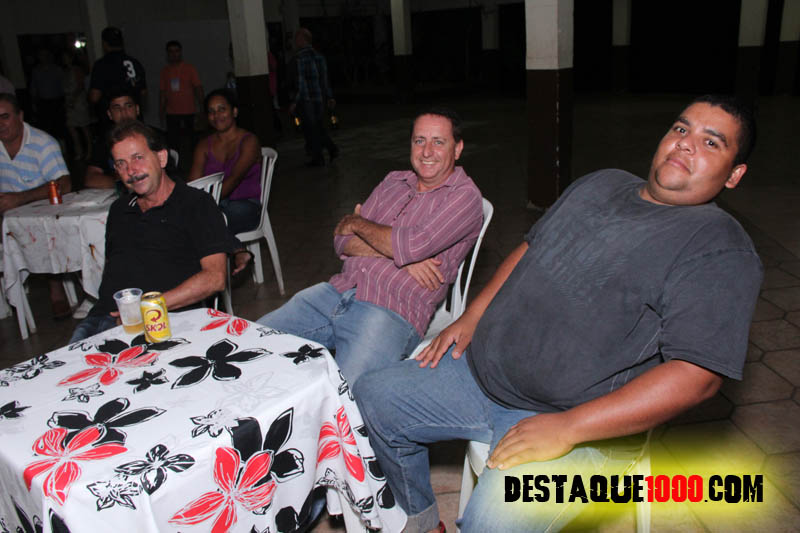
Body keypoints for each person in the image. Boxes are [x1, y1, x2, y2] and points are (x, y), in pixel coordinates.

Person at [353, 95, 764, 533]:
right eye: (681, 129)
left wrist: (569, 428)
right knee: (372, 397)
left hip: (576, 420)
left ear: (734, 174)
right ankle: (419, 523)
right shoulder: (602, 183)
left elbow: (698, 377)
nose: (685, 143)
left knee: (494, 523)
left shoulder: (719, 248)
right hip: (478, 373)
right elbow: (530, 248)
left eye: (711, 142)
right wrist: (472, 316)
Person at [257, 107, 483, 384]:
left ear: (457, 149)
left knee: (346, 393)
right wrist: (402, 257)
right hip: (335, 292)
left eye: (438, 142)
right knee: (252, 341)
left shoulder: (465, 197)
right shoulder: (393, 181)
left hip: (388, 310)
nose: (427, 151)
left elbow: (413, 244)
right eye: (419, 140)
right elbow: (341, 240)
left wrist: (358, 223)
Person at [70, 120, 231, 342]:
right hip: (103, 319)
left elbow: (215, 278)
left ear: (161, 158)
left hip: (166, 319)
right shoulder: (119, 210)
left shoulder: (196, 204)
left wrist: (146, 309)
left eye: (138, 158)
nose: (131, 171)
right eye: (121, 164)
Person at [0, 92, 74, 319]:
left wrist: (20, 198)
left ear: (20, 116)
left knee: (44, 230)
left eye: (5, 117)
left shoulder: (42, 143)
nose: (1, 124)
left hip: (41, 215)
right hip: (6, 216)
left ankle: (56, 290)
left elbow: (64, 184)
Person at [187, 88, 261, 235]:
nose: (216, 115)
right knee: (188, 222)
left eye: (222, 109)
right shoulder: (204, 146)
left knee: (209, 223)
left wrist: (204, 205)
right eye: (211, 111)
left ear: (234, 112)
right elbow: (193, 183)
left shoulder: (249, 141)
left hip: (245, 204)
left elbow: (234, 178)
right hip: (214, 205)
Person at [288, 27, 338, 166]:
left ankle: (321, 156)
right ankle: (329, 150)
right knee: (318, 126)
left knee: (312, 128)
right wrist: (329, 96)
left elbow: (301, 82)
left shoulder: (299, 58)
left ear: (301, 40)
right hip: (319, 98)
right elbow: (324, 79)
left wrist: (294, 101)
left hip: (306, 99)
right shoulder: (319, 56)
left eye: (296, 39)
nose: (295, 42)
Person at [159, 40, 203, 170]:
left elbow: (198, 88)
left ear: (181, 52)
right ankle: (175, 168)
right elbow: (162, 93)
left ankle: (196, 165)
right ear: (167, 54)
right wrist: (161, 111)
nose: (174, 54)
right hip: (172, 112)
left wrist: (202, 108)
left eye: (176, 51)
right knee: (173, 142)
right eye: (171, 52)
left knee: (193, 141)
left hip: (189, 111)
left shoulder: (189, 68)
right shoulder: (165, 71)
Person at [89, 27, 146, 118]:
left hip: (113, 119)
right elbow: (143, 92)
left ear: (104, 43)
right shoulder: (134, 62)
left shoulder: (102, 65)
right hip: (134, 117)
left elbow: (95, 96)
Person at [62, 50, 92, 161]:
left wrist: (73, 99)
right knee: (71, 127)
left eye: (66, 57)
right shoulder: (65, 71)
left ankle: (89, 151)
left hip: (78, 102)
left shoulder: (77, 70)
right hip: (69, 101)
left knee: (84, 127)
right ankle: (79, 151)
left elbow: (80, 86)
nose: (64, 59)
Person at [29, 49, 65, 139]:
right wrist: (33, 102)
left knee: (59, 124)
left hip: (57, 101)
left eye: (45, 55)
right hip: (43, 102)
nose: (43, 57)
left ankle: (62, 142)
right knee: (46, 125)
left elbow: (63, 84)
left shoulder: (56, 69)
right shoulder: (36, 70)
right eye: (41, 55)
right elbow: (34, 87)